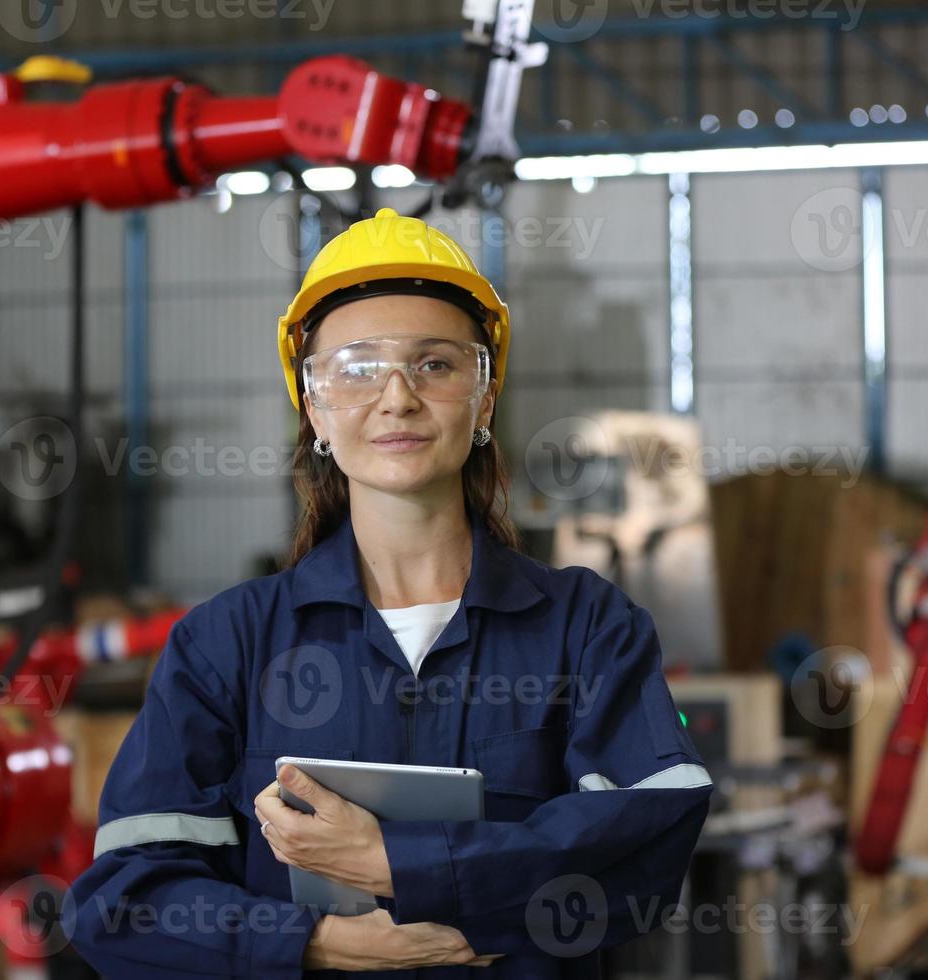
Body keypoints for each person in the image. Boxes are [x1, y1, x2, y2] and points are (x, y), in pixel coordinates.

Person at [67, 207, 712, 978]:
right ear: (314, 410)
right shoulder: (227, 644)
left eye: (435, 364)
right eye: (358, 368)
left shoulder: (585, 626)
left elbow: (646, 840)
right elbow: (122, 901)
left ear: (483, 397)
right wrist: (312, 941)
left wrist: (393, 861)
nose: (397, 397)